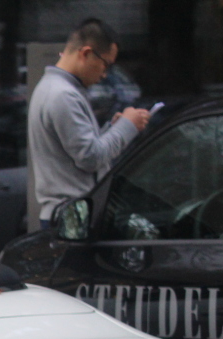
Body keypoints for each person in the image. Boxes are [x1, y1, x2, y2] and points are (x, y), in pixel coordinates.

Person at [28, 18, 151, 228]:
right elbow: (90, 158)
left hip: (69, 214)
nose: (104, 74)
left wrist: (113, 128)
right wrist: (127, 126)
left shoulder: (55, 88)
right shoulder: (63, 95)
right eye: (105, 64)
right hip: (72, 217)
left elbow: (81, 151)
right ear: (85, 53)